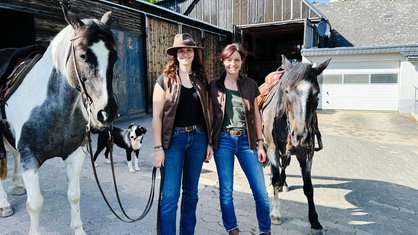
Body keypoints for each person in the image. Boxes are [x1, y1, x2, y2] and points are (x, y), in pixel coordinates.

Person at [152, 33, 213, 235]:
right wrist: (158, 148)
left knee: (191, 194)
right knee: (169, 196)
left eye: (188, 50)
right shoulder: (164, 80)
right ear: (175, 55)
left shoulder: (201, 80)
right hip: (173, 142)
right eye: (181, 50)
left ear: (194, 53)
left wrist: (209, 142)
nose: (185, 53)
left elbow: (208, 113)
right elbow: (156, 117)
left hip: (198, 139)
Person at [210, 43, 271, 235]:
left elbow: (256, 115)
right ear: (223, 61)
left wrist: (260, 144)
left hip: (247, 141)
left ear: (241, 62)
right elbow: (208, 115)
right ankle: (232, 230)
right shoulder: (213, 86)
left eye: (237, 59)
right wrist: (209, 144)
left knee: (261, 193)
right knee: (226, 192)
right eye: (229, 59)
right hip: (224, 142)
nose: (233, 63)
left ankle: (265, 230)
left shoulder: (250, 84)